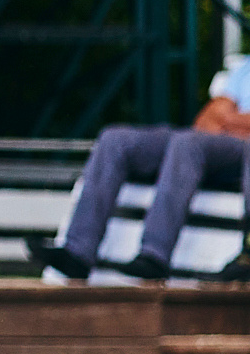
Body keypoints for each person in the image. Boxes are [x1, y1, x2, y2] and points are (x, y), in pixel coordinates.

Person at [32, 61, 250, 282]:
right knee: (115, 139)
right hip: (209, 143)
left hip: (239, 151)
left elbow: (217, 119)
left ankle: (154, 255)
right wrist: (235, 122)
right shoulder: (245, 68)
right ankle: (77, 253)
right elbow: (204, 121)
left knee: (187, 143)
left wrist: (226, 120)